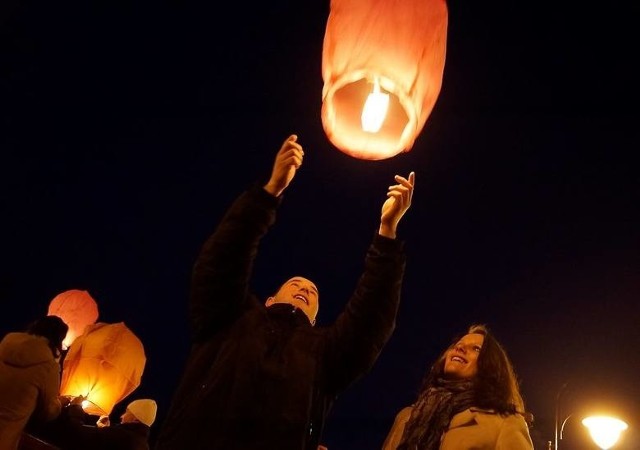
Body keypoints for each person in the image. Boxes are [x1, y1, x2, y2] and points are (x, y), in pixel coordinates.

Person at [154, 134, 415, 450]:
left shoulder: (325, 355)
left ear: (317, 319)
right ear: (269, 301)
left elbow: (371, 318)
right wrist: (269, 192)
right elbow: (222, 260)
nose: (305, 287)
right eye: (295, 284)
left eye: (312, 291)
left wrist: (387, 234)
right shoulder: (229, 319)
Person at [381, 324, 534, 450]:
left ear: (491, 365)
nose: (460, 349)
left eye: (476, 349)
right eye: (458, 345)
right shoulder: (406, 417)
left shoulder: (505, 423)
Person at [0, 315, 69, 450]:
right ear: (58, 339)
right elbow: (47, 412)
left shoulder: (5, 347)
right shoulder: (48, 366)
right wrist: (61, 402)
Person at [42, 397, 157, 450]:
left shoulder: (121, 437)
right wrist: (103, 430)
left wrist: (75, 407)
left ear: (136, 419)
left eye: (127, 412)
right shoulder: (142, 444)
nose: (122, 416)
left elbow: (75, 433)